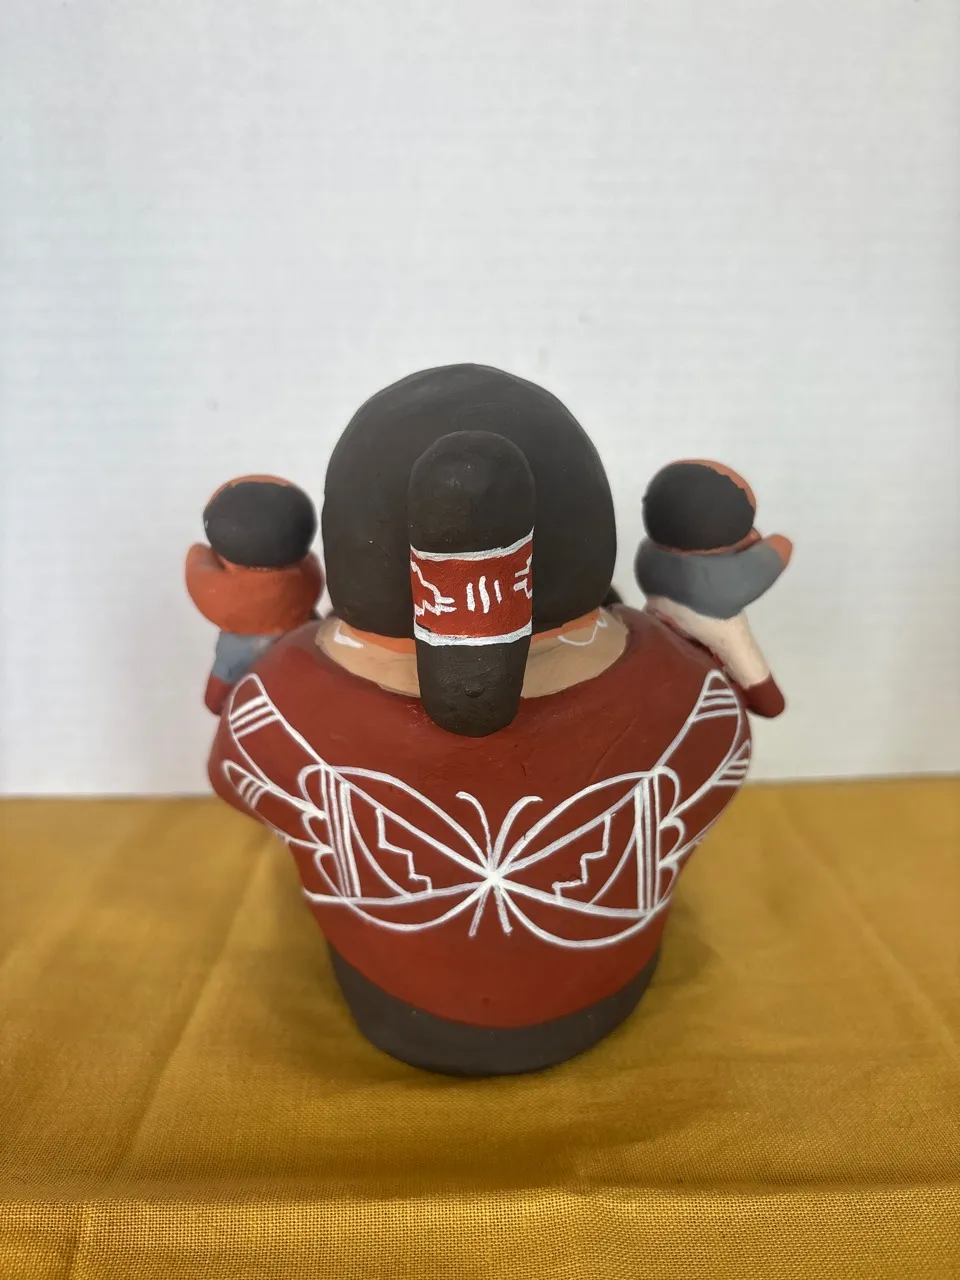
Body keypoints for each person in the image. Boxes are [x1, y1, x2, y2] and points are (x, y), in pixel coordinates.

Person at [635, 460, 792, 718]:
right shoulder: (724, 579)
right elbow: (781, 546)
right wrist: (756, 542)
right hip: (713, 624)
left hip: (658, 615)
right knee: (760, 686)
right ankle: (758, 698)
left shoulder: (648, 553)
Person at [185, 475, 324, 714]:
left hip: (243, 644)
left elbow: (196, 564)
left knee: (217, 695)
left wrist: (199, 553)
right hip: (304, 628)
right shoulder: (307, 573)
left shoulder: (222, 593)